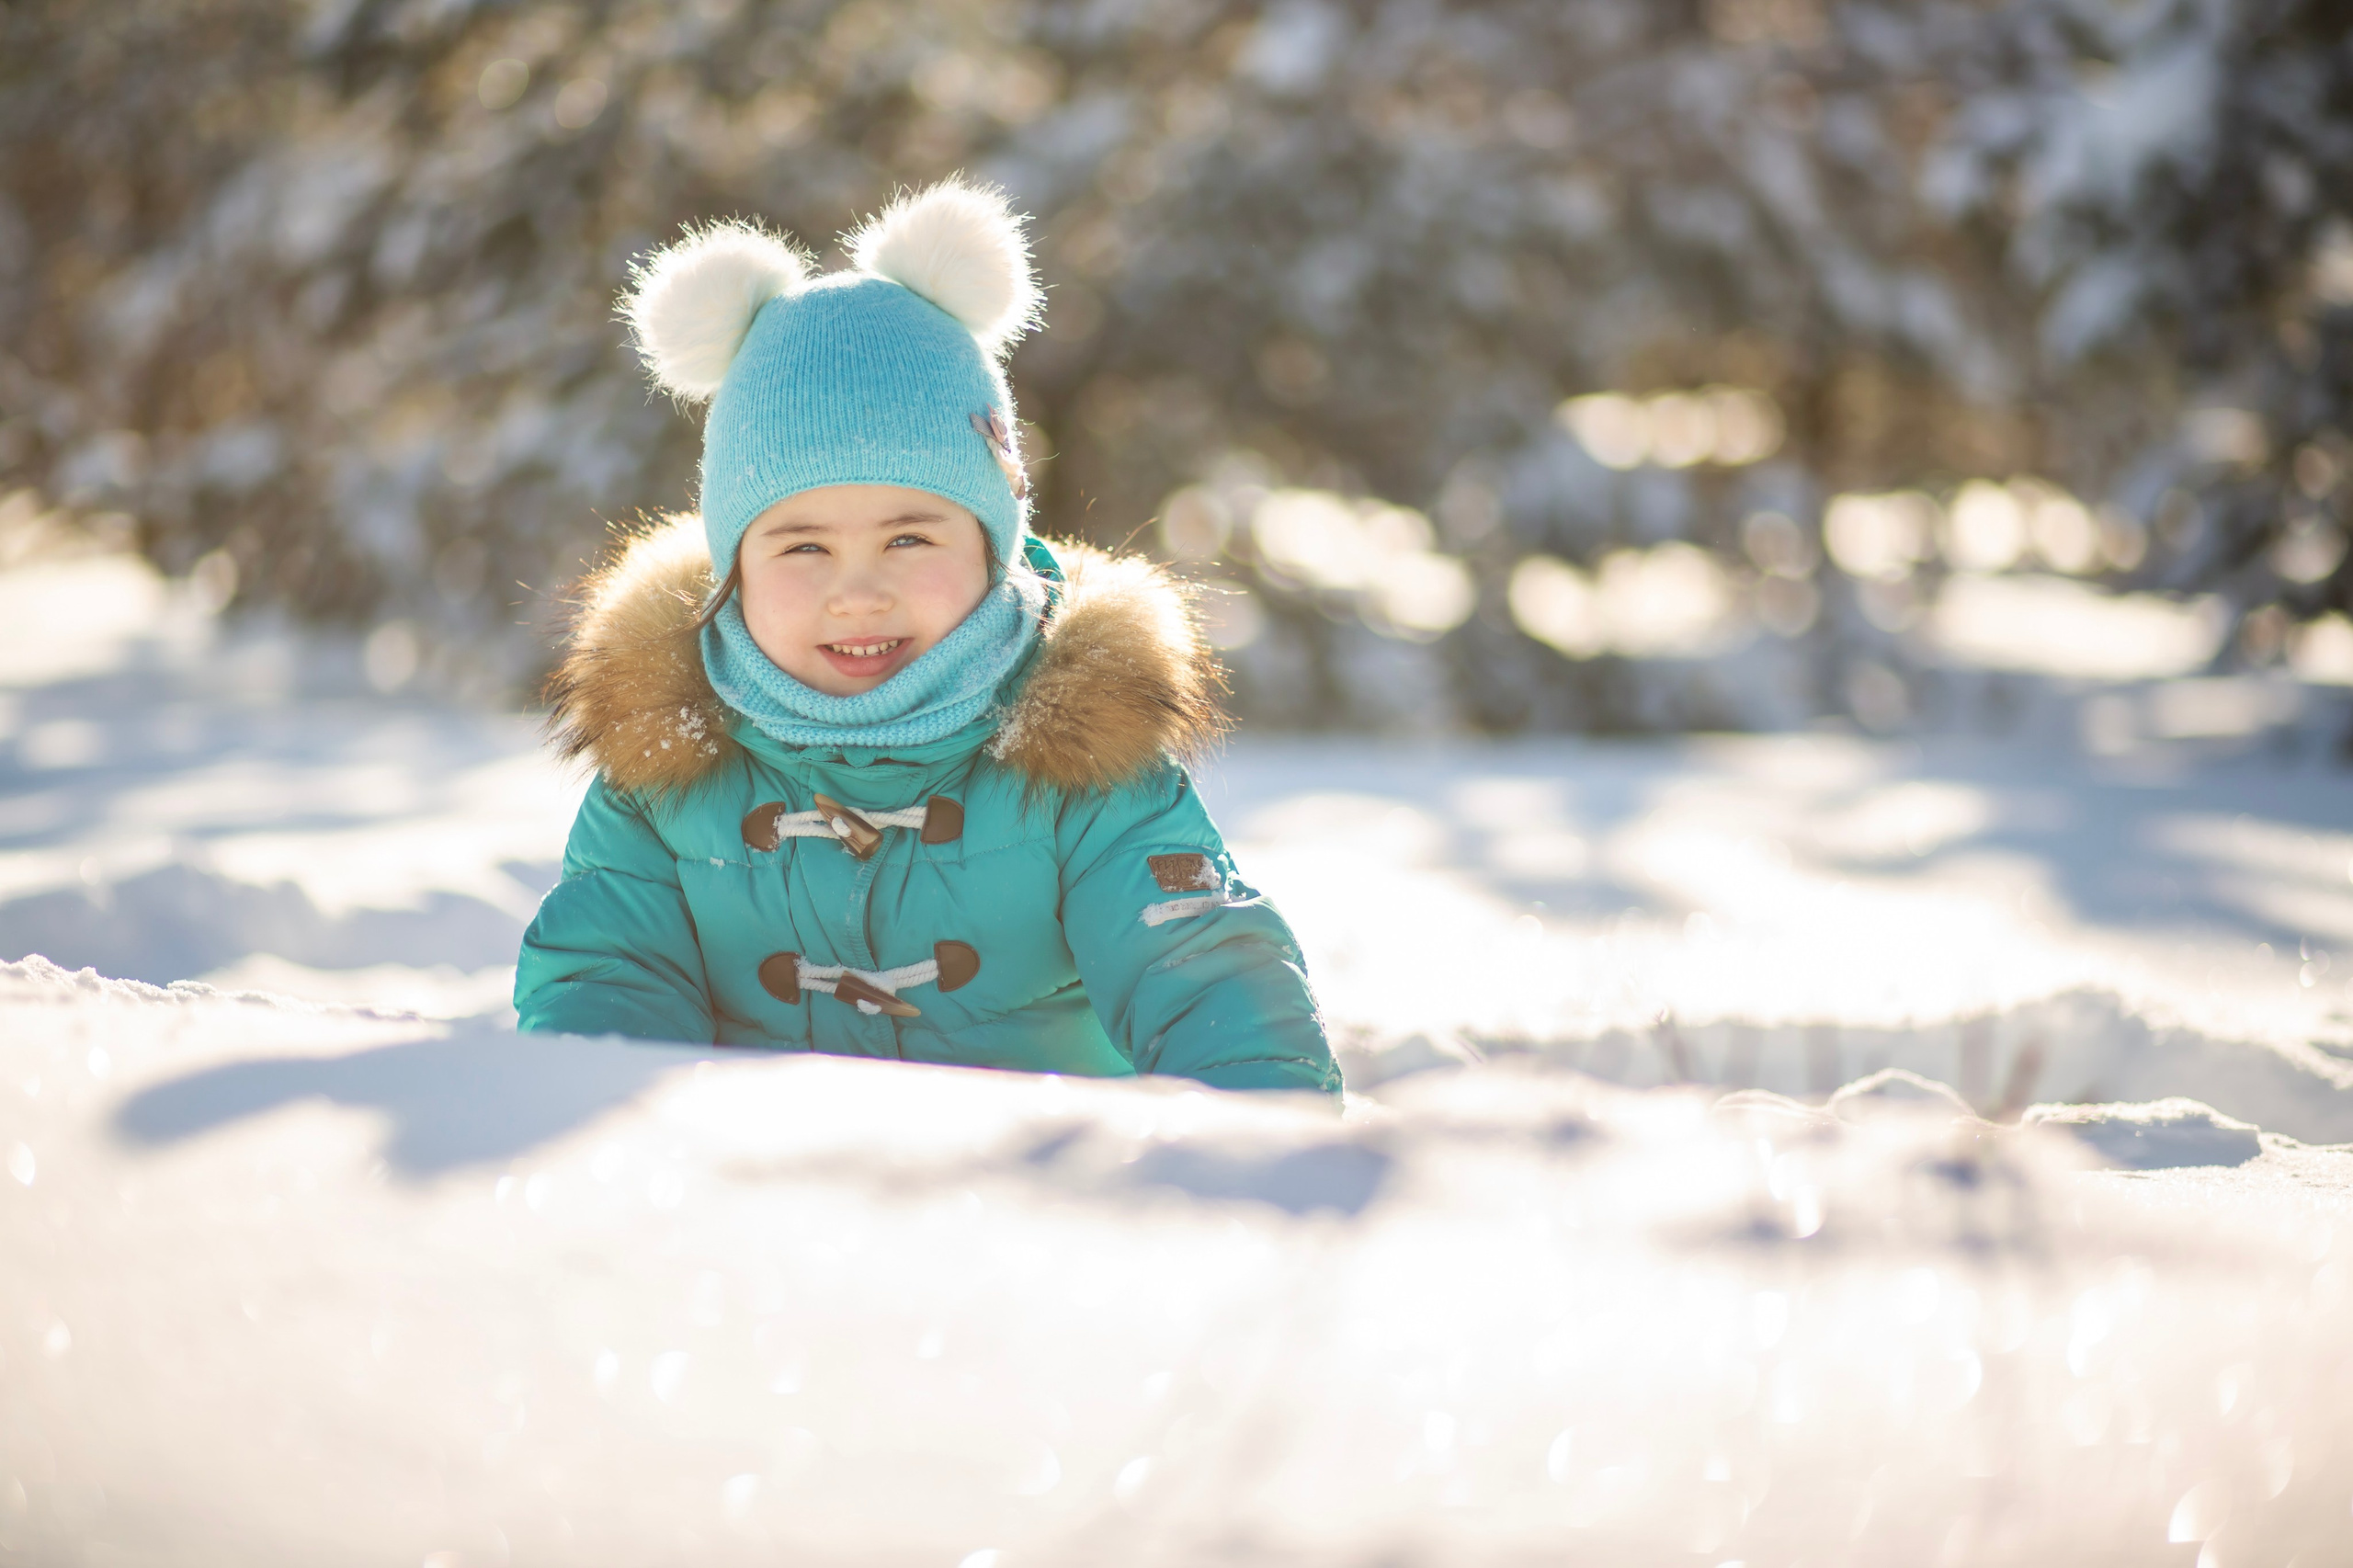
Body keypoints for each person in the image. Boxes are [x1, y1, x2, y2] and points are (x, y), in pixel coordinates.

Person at [512, 179, 1339, 1096]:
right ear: (732, 565)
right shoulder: (668, 766)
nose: (859, 591)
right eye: (803, 545)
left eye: (909, 537)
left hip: (1029, 1197)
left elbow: (1195, 965)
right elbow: (607, 981)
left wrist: (1267, 1132)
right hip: (749, 1197)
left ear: (993, 542)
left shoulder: (1078, 758)